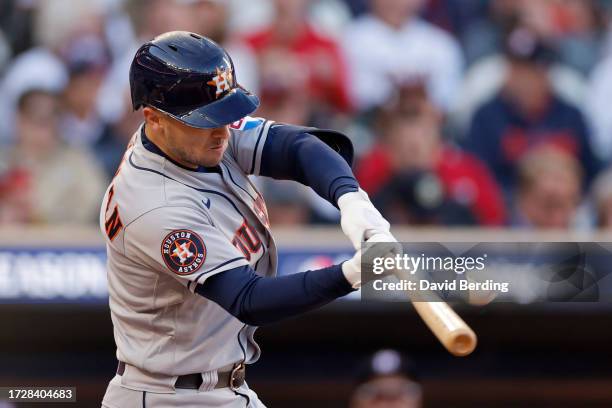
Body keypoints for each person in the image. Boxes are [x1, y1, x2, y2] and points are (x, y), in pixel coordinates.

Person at [100, 31, 395, 407]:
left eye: (224, 115)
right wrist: (353, 274)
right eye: (207, 120)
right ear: (153, 120)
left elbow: (299, 147)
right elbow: (248, 298)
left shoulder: (189, 137)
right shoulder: (153, 204)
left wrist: (353, 201)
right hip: (168, 396)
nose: (223, 131)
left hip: (221, 387)